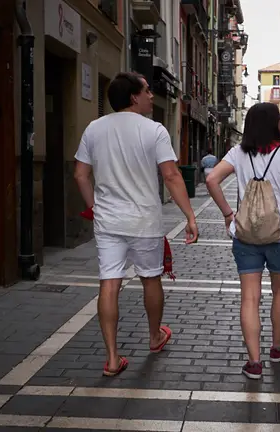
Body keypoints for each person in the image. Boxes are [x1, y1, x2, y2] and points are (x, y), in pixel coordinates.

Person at [74, 72, 199, 377]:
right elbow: (171, 176)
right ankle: (155, 337)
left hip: (108, 220)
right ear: (133, 97)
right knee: (150, 278)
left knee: (109, 283)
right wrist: (190, 216)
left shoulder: (94, 129)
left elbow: (80, 175)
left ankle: (113, 358)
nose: (152, 96)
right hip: (144, 219)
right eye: (147, 91)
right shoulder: (154, 131)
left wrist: (94, 208)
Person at [206, 103, 280, 379]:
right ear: (274, 124)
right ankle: (276, 347)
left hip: (245, 235)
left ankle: (254, 362)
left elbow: (212, 179)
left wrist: (229, 214)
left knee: (249, 297)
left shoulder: (237, 153)